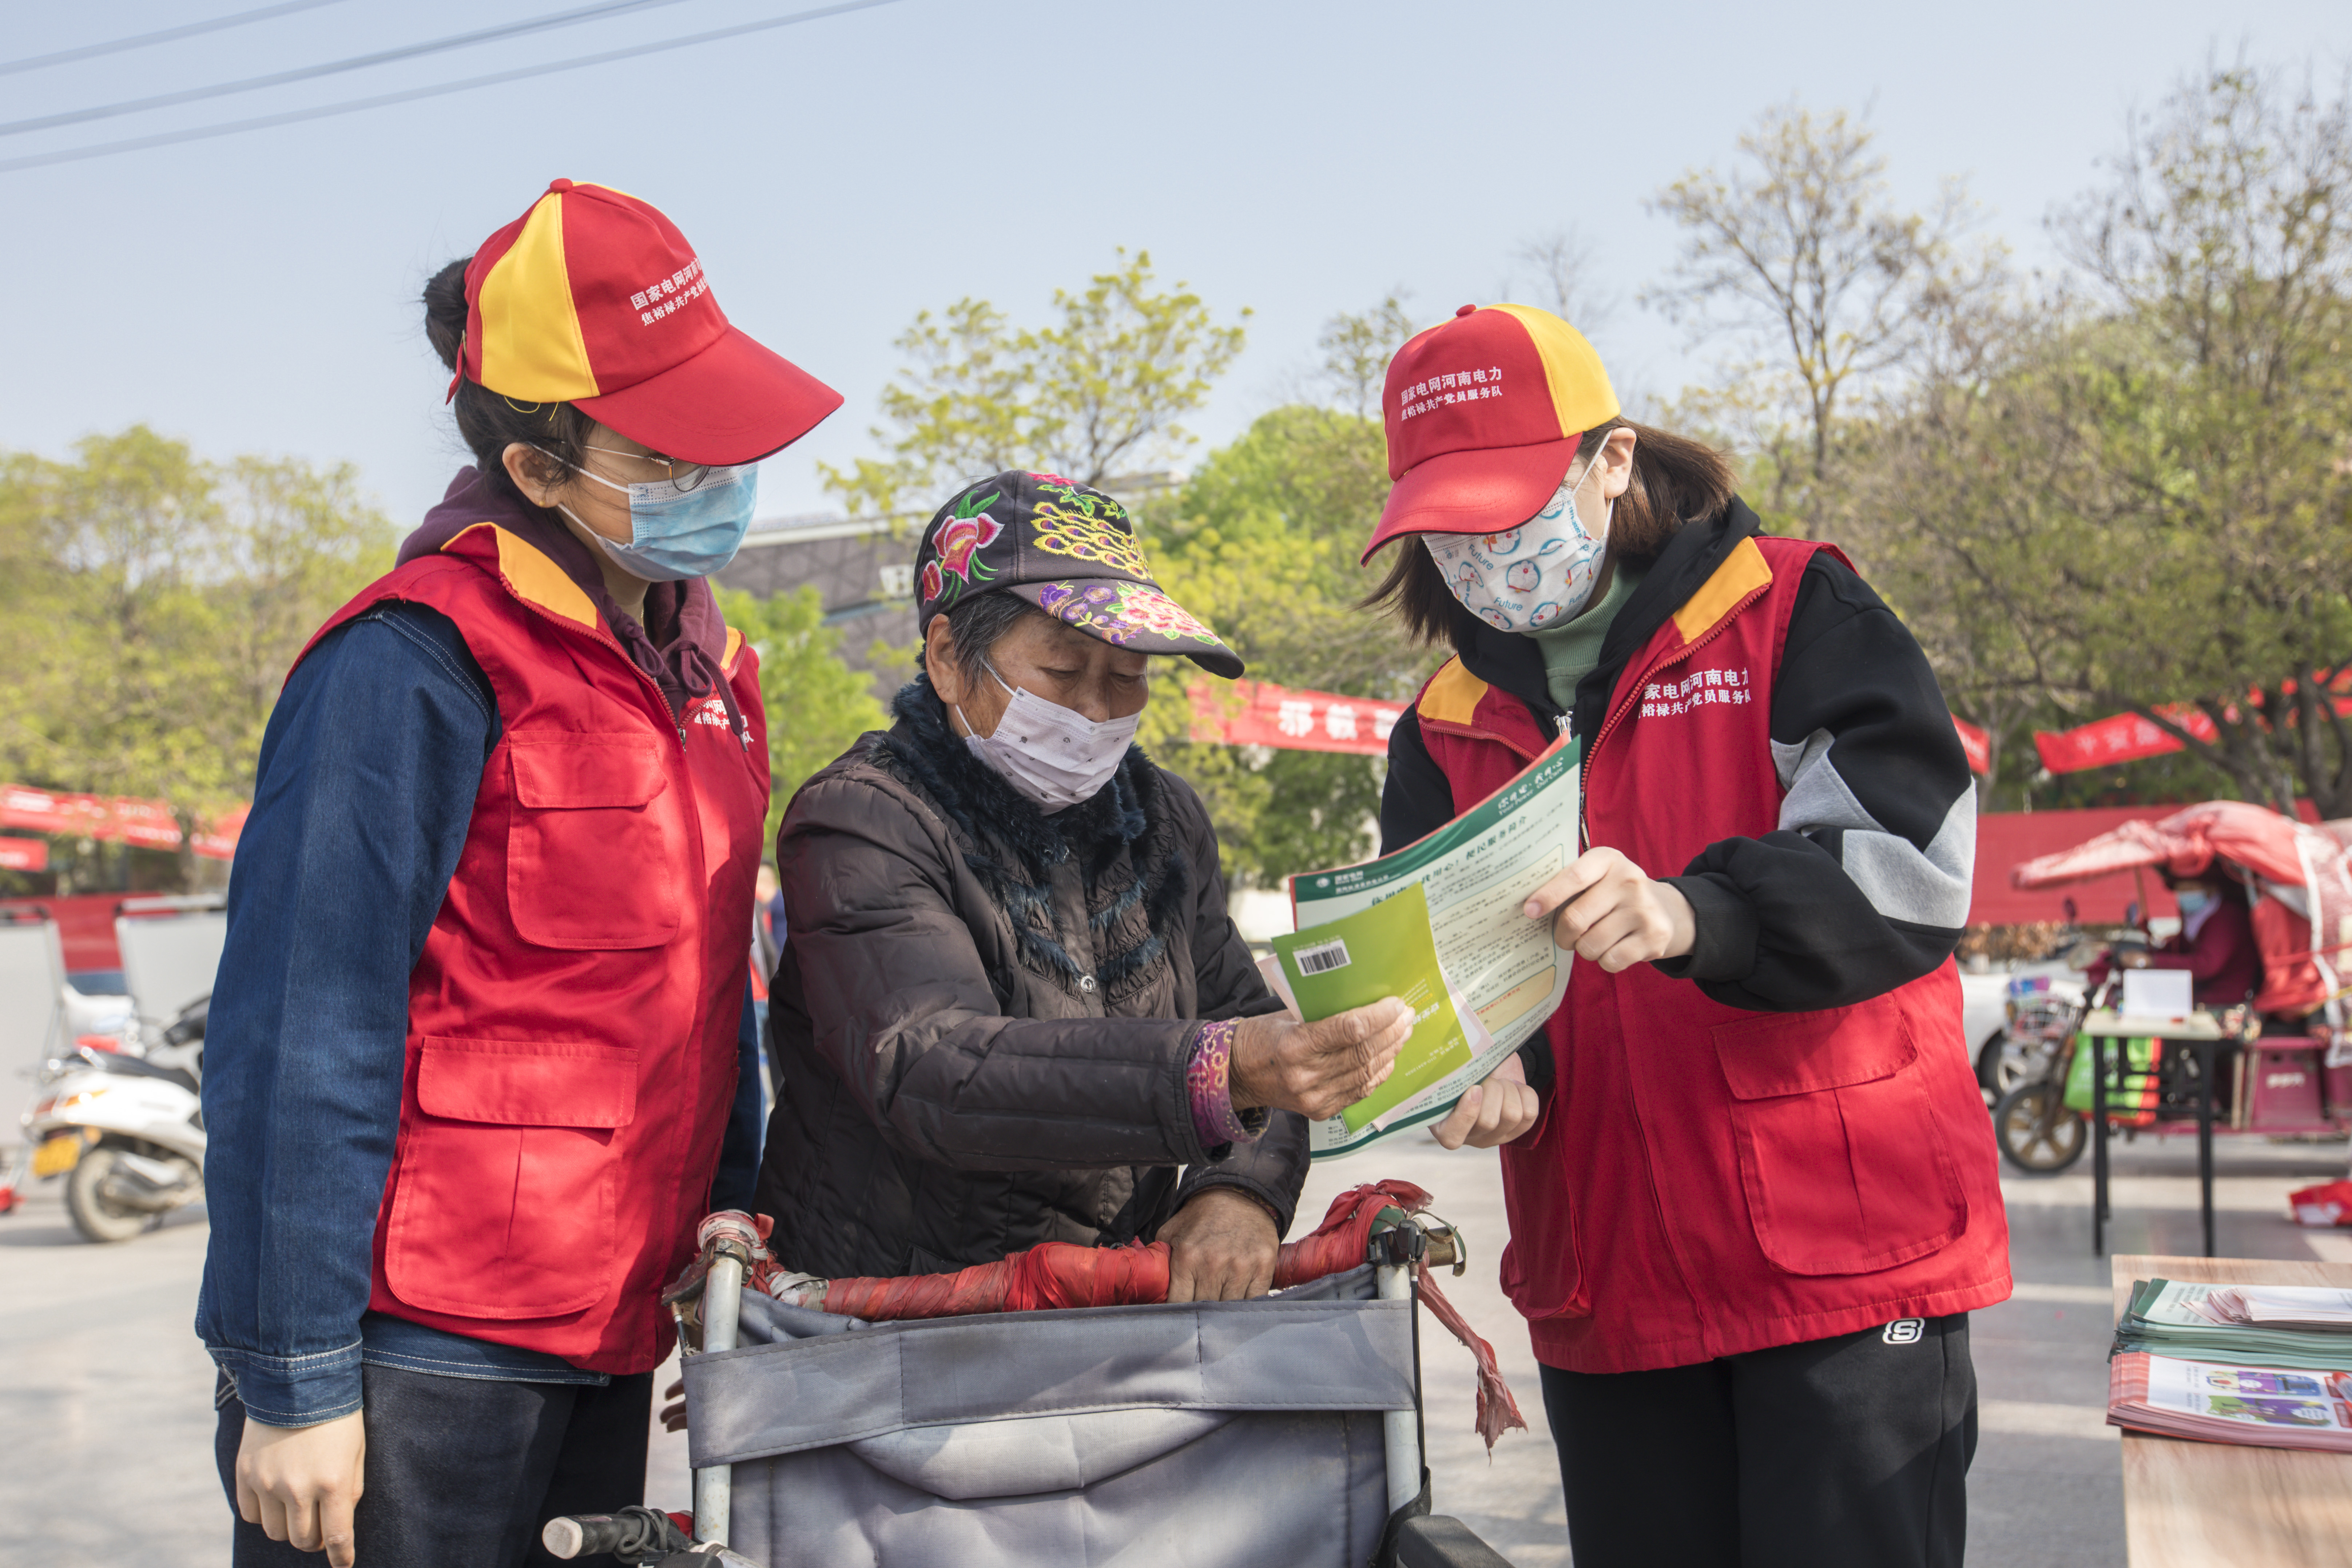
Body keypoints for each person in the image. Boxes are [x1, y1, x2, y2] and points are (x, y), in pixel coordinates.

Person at [197, 179, 839, 1567]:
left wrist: (734, 1225)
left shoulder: (713, 675)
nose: (711, 487)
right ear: (539, 470)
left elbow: (709, 986)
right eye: (667, 459)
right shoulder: (412, 664)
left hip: (616, 1324)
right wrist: (294, 1377)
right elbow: (300, 1033)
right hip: (424, 1351)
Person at [1366, 304, 2009, 1568]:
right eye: (1445, 524)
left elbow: (1911, 871)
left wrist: (1691, 913)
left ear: (1609, 460)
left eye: (1506, 504)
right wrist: (1482, 1068)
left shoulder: (1791, 609)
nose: (1482, 551)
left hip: (1843, 1265)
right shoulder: (1437, 728)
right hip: (1611, 1286)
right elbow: (1450, 978)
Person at [750, 470, 1430, 1300]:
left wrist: (1235, 1193)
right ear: (946, 659)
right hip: (893, 1320)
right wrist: (1219, 1071)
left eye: (1128, 676)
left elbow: (1254, 1032)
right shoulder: (862, 819)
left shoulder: (1164, 819)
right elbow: (936, 1067)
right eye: (1063, 671)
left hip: (1109, 1312)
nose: (1098, 710)